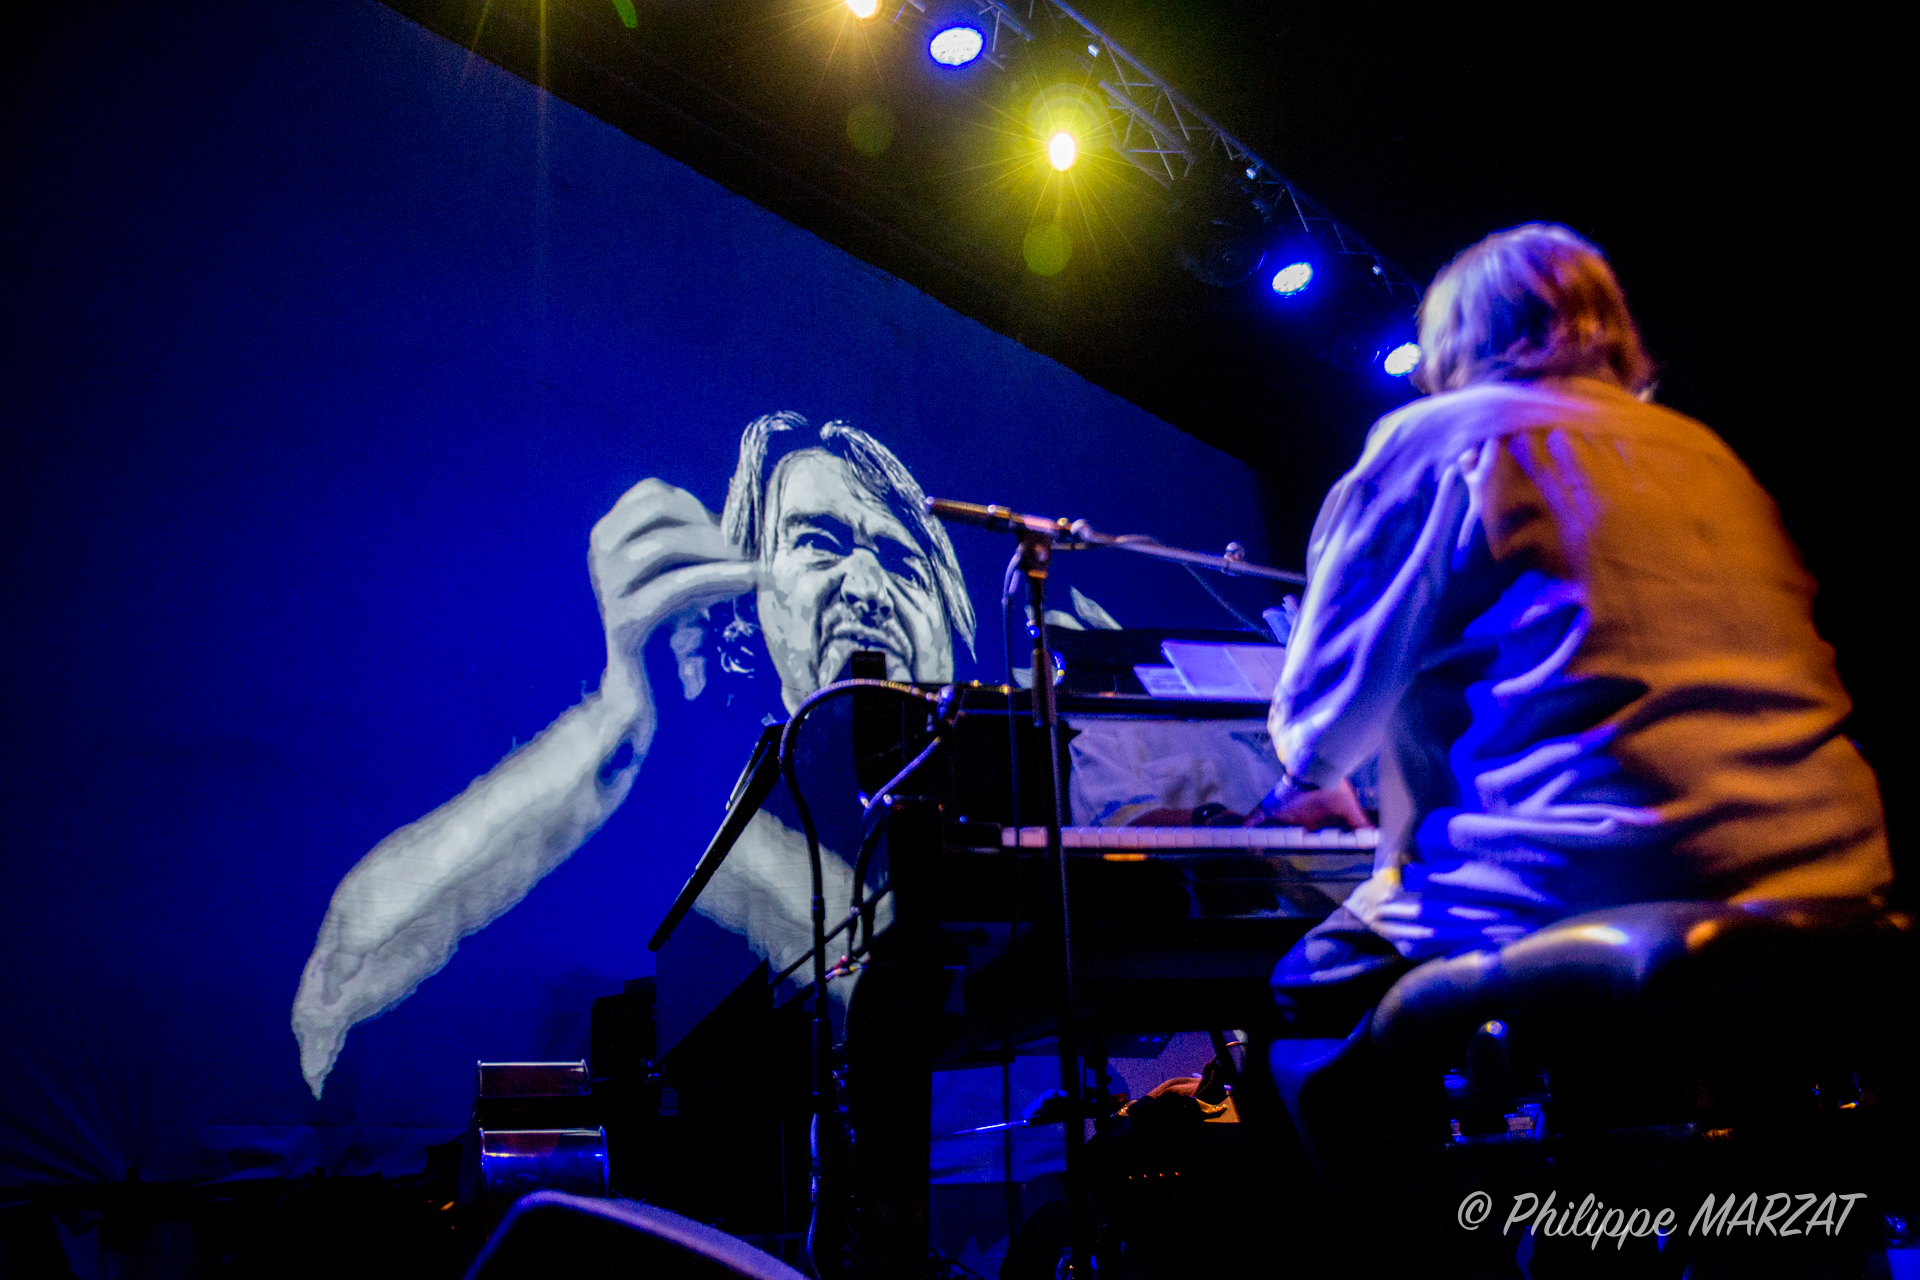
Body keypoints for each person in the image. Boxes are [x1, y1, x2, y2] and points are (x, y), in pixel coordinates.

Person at [1247, 223, 1890, 1032]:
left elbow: (1324, 717)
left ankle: (1464, 1165)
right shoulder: (1709, 453)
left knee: (1300, 1003)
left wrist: (1308, 779)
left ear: (1458, 337)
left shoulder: (1445, 437)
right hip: (1832, 868)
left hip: (1600, 866)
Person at [290, 412, 975, 1097]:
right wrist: (619, 717)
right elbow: (357, 948)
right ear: (749, 615)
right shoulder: (741, 790)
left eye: (903, 562)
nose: (868, 586)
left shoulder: (1021, 794)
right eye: (821, 543)